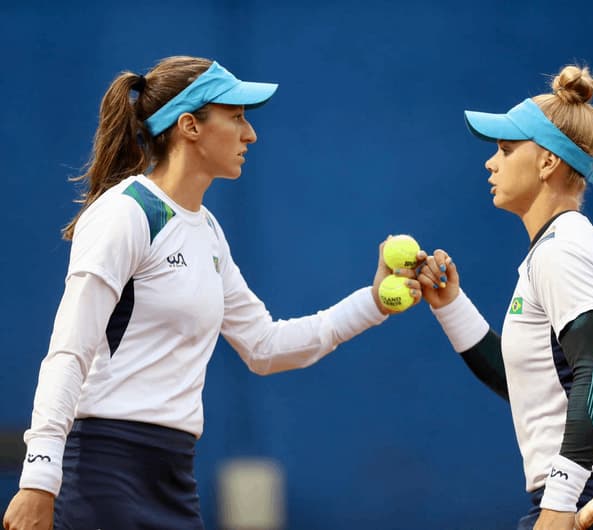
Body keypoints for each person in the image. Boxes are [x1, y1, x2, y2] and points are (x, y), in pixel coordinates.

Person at [2, 56, 422, 530]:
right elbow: (68, 352)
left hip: (175, 478)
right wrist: (38, 480)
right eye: (237, 116)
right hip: (102, 473)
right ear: (189, 126)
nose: (251, 135)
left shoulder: (209, 232)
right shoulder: (125, 214)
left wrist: (374, 302)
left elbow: (265, 346)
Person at [416, 65, 593, 529]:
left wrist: (560, 500)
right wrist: (450, 306)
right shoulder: (566, 246)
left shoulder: (563, 250)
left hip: (588, 497)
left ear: (548, 162)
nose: (492, 162)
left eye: (507, 150)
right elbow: (533, 386)